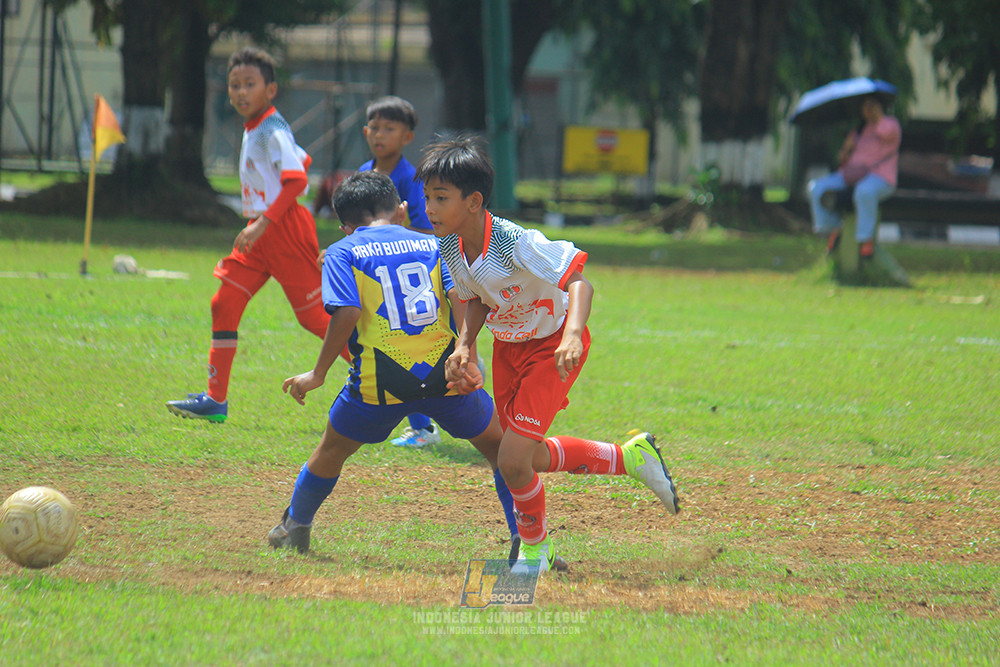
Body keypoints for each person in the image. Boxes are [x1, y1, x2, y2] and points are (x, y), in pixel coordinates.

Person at [416, 136, 680, 574]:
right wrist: (465, 345)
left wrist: (572, 335)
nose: (430, 208)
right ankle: (632, 458)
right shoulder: (450, 243)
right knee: (527, 457)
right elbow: (477, 297)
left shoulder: (512, 241)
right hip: (510, 349)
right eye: (427, 197)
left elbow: (579, 281)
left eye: (440, 198)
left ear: (474, 201)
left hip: (551, 347)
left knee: (512, 459)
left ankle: (536, 551)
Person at [268, 170, 519, 556]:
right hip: (445, 377)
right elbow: (460, 300)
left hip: (377, 384)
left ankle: (295, 527)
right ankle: (525, 536)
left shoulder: (342, 250)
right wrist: (467, 356)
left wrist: (318, 373)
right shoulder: (436, 244)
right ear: (402, 210)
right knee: (500, 449)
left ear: (346, 225)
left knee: (331, 450)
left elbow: (347, 313)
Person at [166, 47, 330, 423]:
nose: (240, 92)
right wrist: (258, 221)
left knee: (317, 320)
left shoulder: (271, 128)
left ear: (270, 90)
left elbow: (297, 179)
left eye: (249, 84)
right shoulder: (258, 128)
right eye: (234, 85)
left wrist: (261, 222)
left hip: (283, 229)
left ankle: (384, 385)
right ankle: (215, 400)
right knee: (223, 302)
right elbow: (300, 159)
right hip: (262, 232)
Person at [360, 95, 441, 449]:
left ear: (407, 136)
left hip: (409, 276)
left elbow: (428, 232)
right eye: (375, 128)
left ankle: (424, 427)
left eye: (389, 129)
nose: (380, 135)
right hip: (376, 277)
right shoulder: (365, 174)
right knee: (386, 342)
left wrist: (396, 235)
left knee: (407, 343)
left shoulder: (410, 179)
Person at [808, 94, 901, 259]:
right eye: (865, 107)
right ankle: (832, 229)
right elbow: (842, 159)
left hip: (879, 177)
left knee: (864, 192)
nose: (868, 110)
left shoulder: (890, 124)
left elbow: (888, 134)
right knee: (816, 188)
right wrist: (847, 149)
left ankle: (866, 240)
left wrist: (878, 116)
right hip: (850, 175)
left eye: (872, 105)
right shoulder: (859, 130)